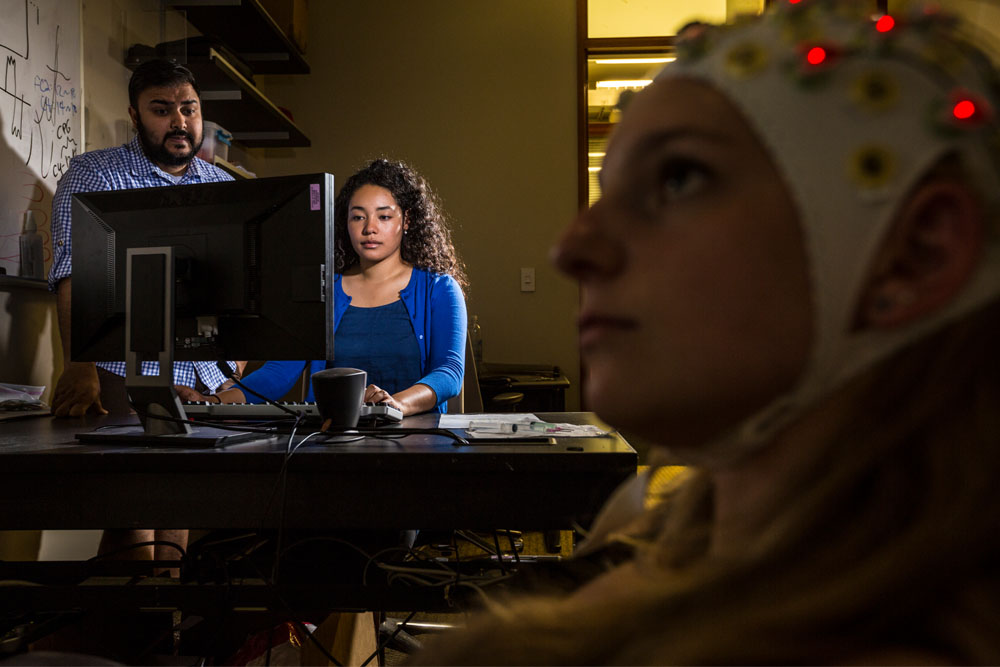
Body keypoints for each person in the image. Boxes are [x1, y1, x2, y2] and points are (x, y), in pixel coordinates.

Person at [413, 2, 1000, 664]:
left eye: (679, 177)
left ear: (915, 255)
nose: (573, 248)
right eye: (607, 191)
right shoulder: (651, 531)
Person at [47, 58, 240, 564]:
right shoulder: (95, 173)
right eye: (162, 109)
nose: (179, 122)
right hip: (119, 366)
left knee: (176, 513)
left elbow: (236, 290)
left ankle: (152, 636)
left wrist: (230, 371)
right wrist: (80, 361)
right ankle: (130, 635)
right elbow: (73, 272)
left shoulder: (222, 185)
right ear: (135, 116)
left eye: (189, 108)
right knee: (132, 514)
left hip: (198, 371)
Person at [177, 158, 468, 416]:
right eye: (358, 216)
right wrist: (210, 401)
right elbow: (278, 373)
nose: (369, 228)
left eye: (384, 216)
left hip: (418, 442)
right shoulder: (322, 290)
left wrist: (395, 405)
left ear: (407, 221)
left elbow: (449, 374)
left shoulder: (438, 289)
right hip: (330, 441)